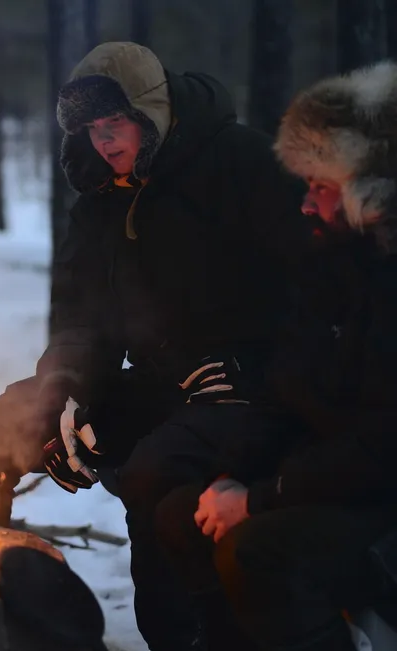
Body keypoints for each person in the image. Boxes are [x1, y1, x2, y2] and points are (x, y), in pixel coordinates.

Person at [0, 42, 317, 650]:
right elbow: (79, 317)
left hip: (247, 392)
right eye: (90, 130)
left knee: (154, 475)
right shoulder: (99, 195)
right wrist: (65, 392)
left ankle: (183, 640)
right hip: (156, 383)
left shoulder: (242, 163)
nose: (103, 143)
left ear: (151, 113)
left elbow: (317, 290)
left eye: (113, 124)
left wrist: (255, 369)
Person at [156, 60, 397, 651]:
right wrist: (233, 474)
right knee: (184, 515)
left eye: (322, 187)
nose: (306, 205)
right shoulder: (331, 266)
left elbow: (382, 443)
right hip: (332, 475)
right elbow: (284, 390)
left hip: (381, 494)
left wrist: (263, 498)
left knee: (258, 549)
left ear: (371, 192)